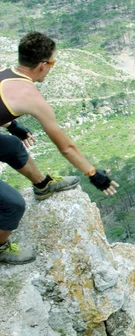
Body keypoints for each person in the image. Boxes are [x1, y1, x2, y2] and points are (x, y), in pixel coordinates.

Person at [0, 31, 119, 265]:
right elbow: (66, 147)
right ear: (43, 65)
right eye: (52, 63)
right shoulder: (30, 96)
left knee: (12, 145)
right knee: (13, 205)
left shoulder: (5, 75)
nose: (52, 68)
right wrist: (93, 174)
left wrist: (12, 125)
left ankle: (43, 186)